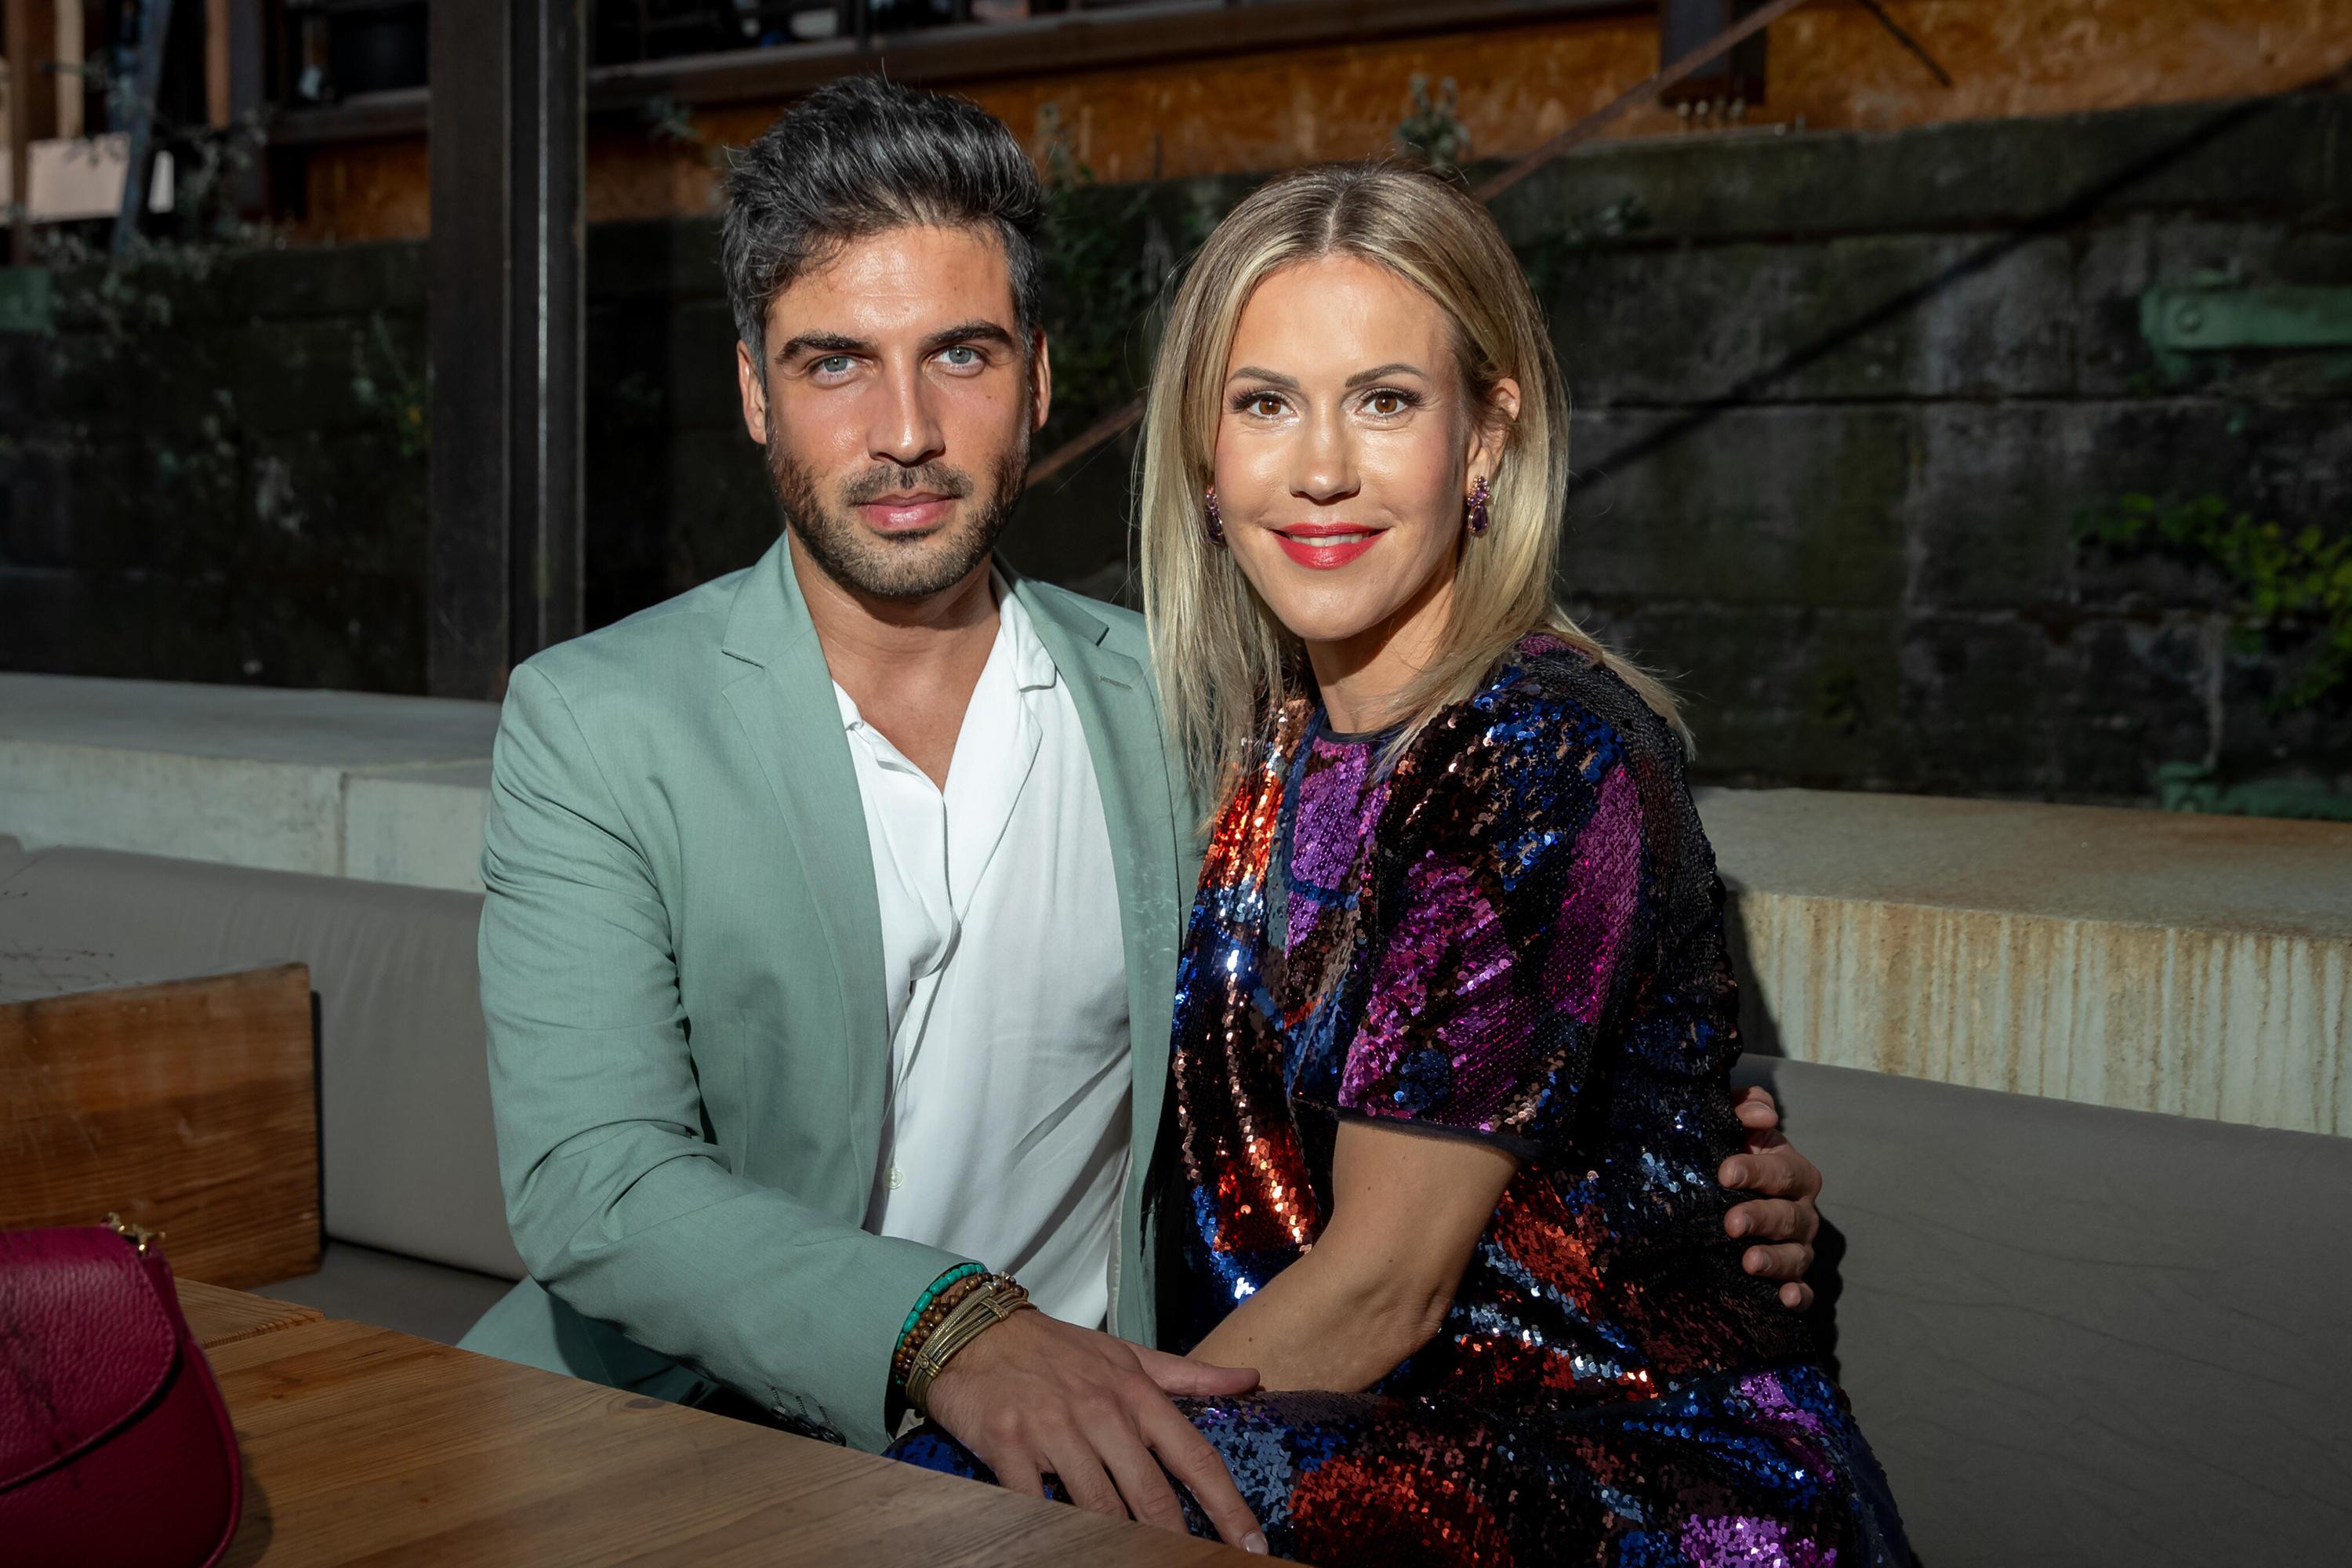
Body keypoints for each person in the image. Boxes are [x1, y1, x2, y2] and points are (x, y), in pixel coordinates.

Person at [455, 77, 1834, 1555]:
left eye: (962, 355)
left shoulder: (1195, 715)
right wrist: (948, 1333)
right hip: (694, 1430)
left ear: (1041, 379)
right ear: (753, 392)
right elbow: (596, 1176)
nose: (905, 430)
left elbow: (1439, 1015)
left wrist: (1684, 1178)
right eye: (835, 363)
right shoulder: (598, 722)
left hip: (1095, 1457)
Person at [891, 160, 1911, 1563]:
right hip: (1354, 1436)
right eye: (1265, 404)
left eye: (1384, 401)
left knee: (969, 1480)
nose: (1322, 467)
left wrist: (1089, 1433)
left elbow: (1383, 1292)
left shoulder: (1539, 747)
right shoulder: (1259, 742)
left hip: (1628, 1477)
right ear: (1204, 458)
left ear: (1485, 438)